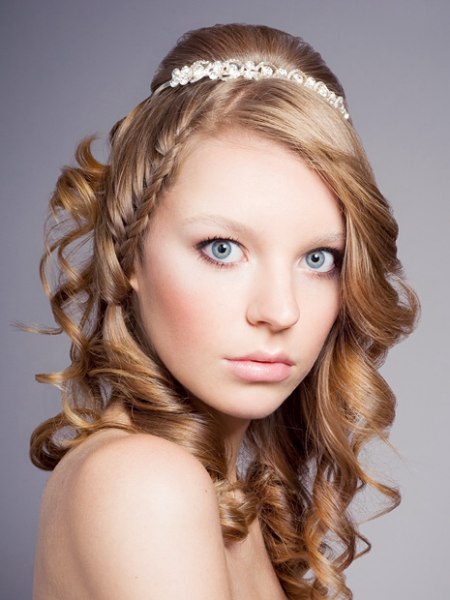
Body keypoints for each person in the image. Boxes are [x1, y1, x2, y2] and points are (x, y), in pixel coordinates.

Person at [30, 23, 418, 600]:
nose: (279, 310)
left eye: (317, 258)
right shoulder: (144, 482)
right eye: (222, 249)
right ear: (128, 251)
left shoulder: (227, 490)